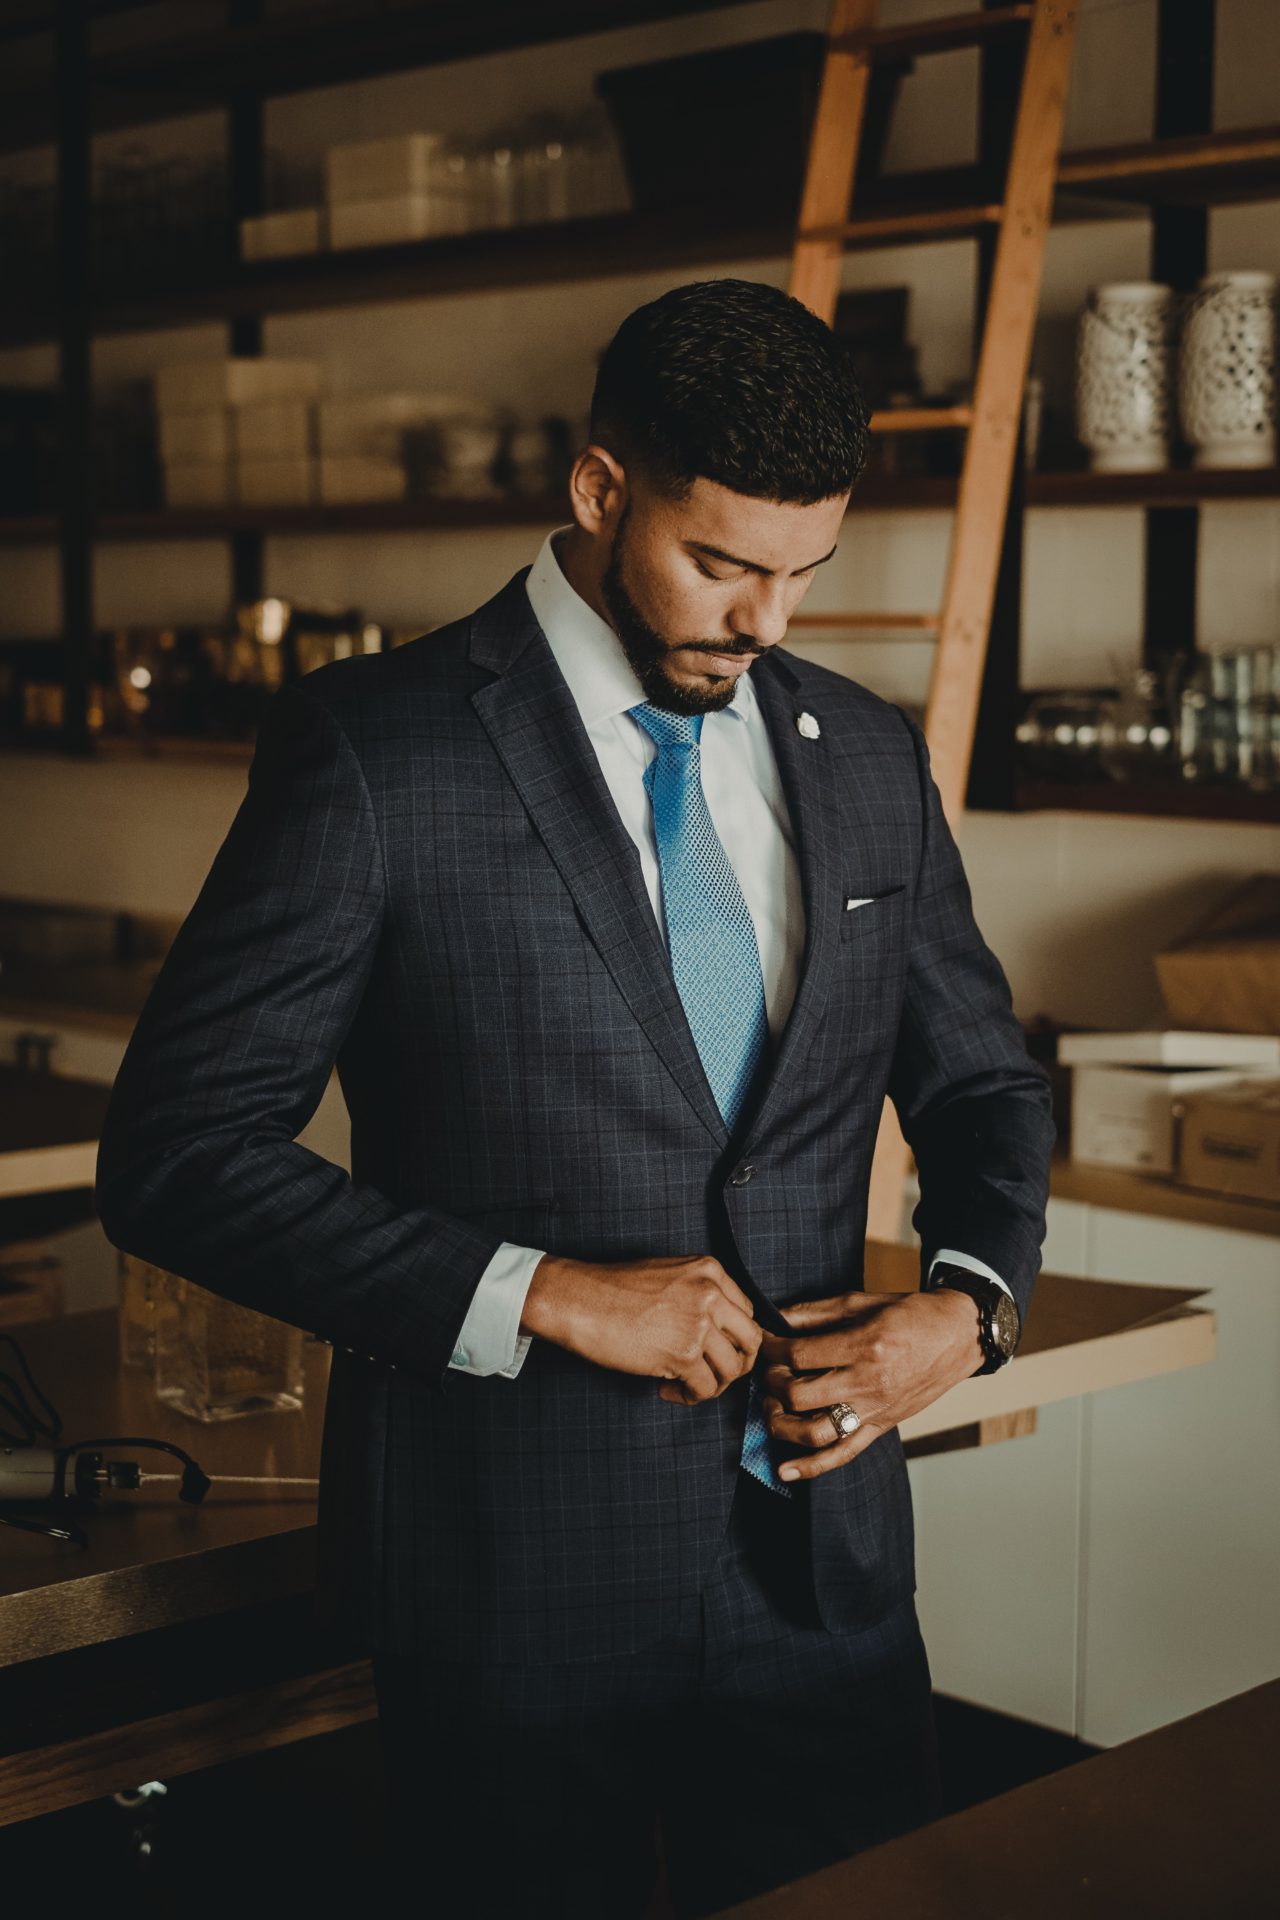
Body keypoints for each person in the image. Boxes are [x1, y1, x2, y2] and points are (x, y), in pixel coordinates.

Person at [95, 277, 1055, 1917]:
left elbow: (983, 1086)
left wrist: (967, 1309)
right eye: (723, 563)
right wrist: (541, 1293)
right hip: (509, 1586)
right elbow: (179, 1154)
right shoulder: (375, 751)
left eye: (804, 573)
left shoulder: (868, 756)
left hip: (825, 1578)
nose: (766, 625)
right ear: (601, 490)